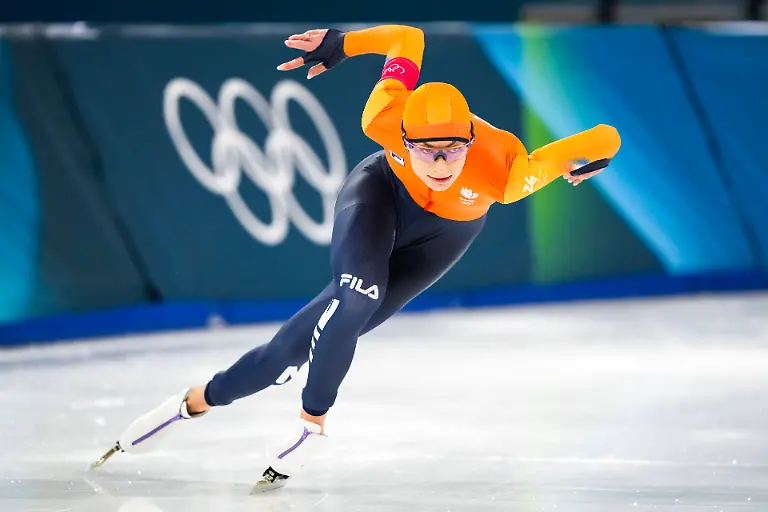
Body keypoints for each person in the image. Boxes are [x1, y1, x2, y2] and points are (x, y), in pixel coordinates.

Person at [90, 24, 621, 491]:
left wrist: (588, 158)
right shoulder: (383, 117)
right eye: (426, 149)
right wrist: (343, 44)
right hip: (379, 196)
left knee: (288, 352)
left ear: (470, 139)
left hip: (446, 236)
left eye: (453, 149)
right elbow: (407, 38)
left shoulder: (508, 174)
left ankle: (223, 406)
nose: (439, 163)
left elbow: (606, 136)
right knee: (354, 298)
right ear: (404, 136)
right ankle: (297, 421)